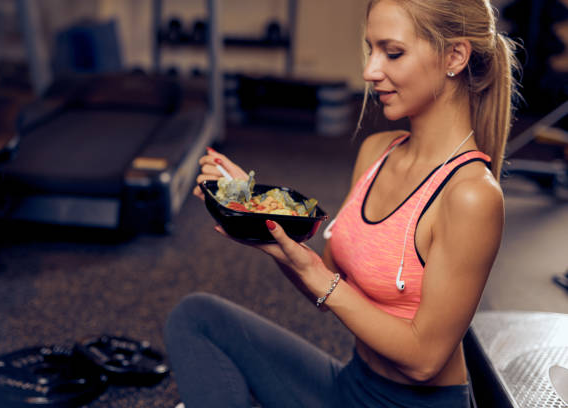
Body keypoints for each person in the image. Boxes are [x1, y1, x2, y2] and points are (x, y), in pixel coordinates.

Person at [164, 0, 520, 406]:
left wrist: (322, 279)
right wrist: (255, 220)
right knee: (197, 318)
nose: (370, 72)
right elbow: (328, 284)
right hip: (352, 387)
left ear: (455, 55)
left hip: (414, 403)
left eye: (393, 52)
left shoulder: (471, 195)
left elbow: (424, 360)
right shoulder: (377, 152)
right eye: (371, 49)